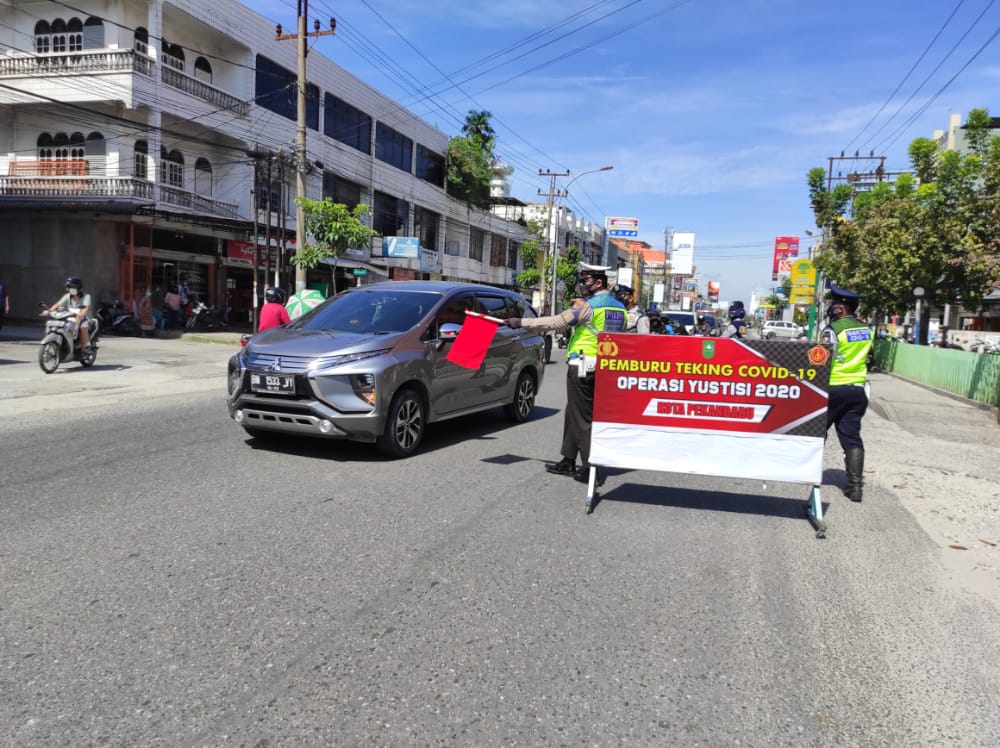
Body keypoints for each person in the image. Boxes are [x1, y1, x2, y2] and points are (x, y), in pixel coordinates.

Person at [507, 263, 627, 483]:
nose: (581, 285)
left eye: (585, 281)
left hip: (583, 364)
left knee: (583, 416)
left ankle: (590, 469)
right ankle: (568, 460)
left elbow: (556, 322)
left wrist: (520, 322)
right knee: (574, 411)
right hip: (607, 367)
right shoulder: (619, 307)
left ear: (597, 283)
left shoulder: (589, 307)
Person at [821, 285, 873, 502]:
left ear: (840, 309)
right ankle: (855, 487)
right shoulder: (866, 329)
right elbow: (869, 357)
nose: (831, 307)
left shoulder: (833, 329)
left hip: (833, 387)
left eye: (833, 304)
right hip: (857, 389)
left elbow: (823, 359)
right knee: (851, 436)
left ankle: (807, 473)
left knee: (816, 430)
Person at [43, 276, 93, 350]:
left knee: (83, 327)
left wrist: (81, 313)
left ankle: (83, 349)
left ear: (78, 288)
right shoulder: (67, 296)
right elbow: (58, 304)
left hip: (85, 317)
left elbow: (86, 308)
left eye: (73, 287)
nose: (71, 289)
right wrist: (49, 311)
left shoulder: (86, 296)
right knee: (63, 326)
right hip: (71, 317)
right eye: (69, 287)